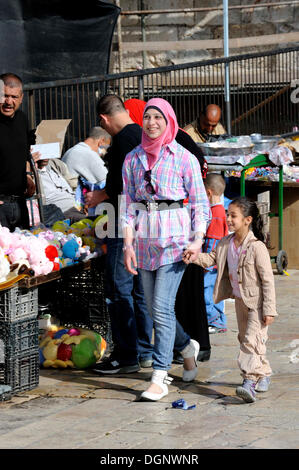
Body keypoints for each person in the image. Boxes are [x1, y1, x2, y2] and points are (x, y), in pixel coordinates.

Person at [121, 97, 211, 401]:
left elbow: (200, 204)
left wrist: (197, 240)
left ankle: (160, 376)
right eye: (147, 117)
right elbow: (127, 206)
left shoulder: (184, 157)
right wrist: (128, 245)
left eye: (158, 117)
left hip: (174, 240)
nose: (152, 123)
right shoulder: (132, 159)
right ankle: (187, 347)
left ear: (169, 120)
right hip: (144, 241)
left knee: (160, 307)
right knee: (153, 308)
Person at [184, 197, 277, 403]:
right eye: (228, 214)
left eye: (233, 215)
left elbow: (268, 281)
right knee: (249, 339)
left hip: (258, 304)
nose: (228, 218)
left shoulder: (257, 247)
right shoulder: (226, 242)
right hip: (240, 301)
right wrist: (192, 256)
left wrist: (269, 309)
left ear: (247, 220)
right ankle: (265, 372)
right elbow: (211, 259)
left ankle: (249, 381)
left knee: (250, 341)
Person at [87, 94, 154, 374]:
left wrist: (97, 197)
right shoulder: (142, 135)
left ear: (103, 120)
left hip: (120, 222)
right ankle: (144, 351)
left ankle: (126, 355)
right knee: (139, 291)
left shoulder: (122, 142)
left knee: (118, 289)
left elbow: (118, 188)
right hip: (143, 221)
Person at [0, 73, 36, 231]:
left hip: (20, 204)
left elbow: (24, 153)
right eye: (4, 96)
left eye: (13, 97)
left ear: (21, 98)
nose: (8, 102)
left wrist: (28, 176)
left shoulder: (22, 119)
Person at [203, 173, 228, 334]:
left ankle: (213, 319)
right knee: (215, 292)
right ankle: (219, 321)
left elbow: (213, 241)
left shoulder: (216, 214)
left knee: (206, 291)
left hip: (212, 262)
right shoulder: (220, 212)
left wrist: (205, 261)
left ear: (208, 192)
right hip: (219, 260)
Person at [34, 156, 87, 225]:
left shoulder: (54, 165)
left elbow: (74, 184)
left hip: (78, 206)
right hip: (62, 213)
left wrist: (84, 203)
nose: (44, 156)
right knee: (94, 224)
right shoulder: (31, 172)